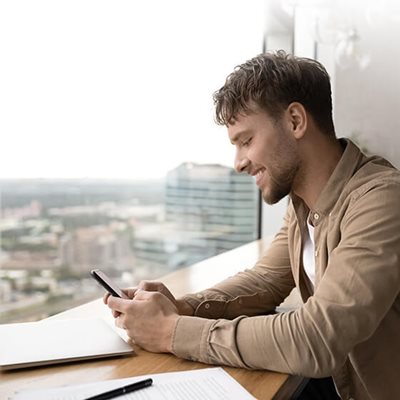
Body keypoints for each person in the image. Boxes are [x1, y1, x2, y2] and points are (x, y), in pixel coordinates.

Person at [104, 51, 400, 399]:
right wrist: (181, 307)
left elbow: (317, 339)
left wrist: (170, 331)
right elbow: (265, 281)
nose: (239, 163)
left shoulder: (381, 200)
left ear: (294, 121)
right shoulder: (306, 202)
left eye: (246, 141)